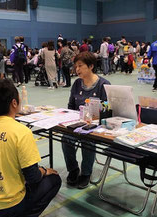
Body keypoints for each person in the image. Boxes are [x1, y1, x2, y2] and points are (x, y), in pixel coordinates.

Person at [0, 79, 61, 217]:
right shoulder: (21, 132)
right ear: (14, 103)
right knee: (54, 180)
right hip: (8, 205)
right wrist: (45, 171)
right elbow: (33, 177)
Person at [62, 51, 111, 189]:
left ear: (90, 66)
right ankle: (73, 170)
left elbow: (107, 111)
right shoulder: (77, 84)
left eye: (80, 66)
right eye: (75, 66)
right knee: (66, 138)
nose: (76, 69)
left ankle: (86, 173)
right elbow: (71, 106)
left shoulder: (103, 85)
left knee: (87, 139)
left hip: (95, 126)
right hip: (78, 123)